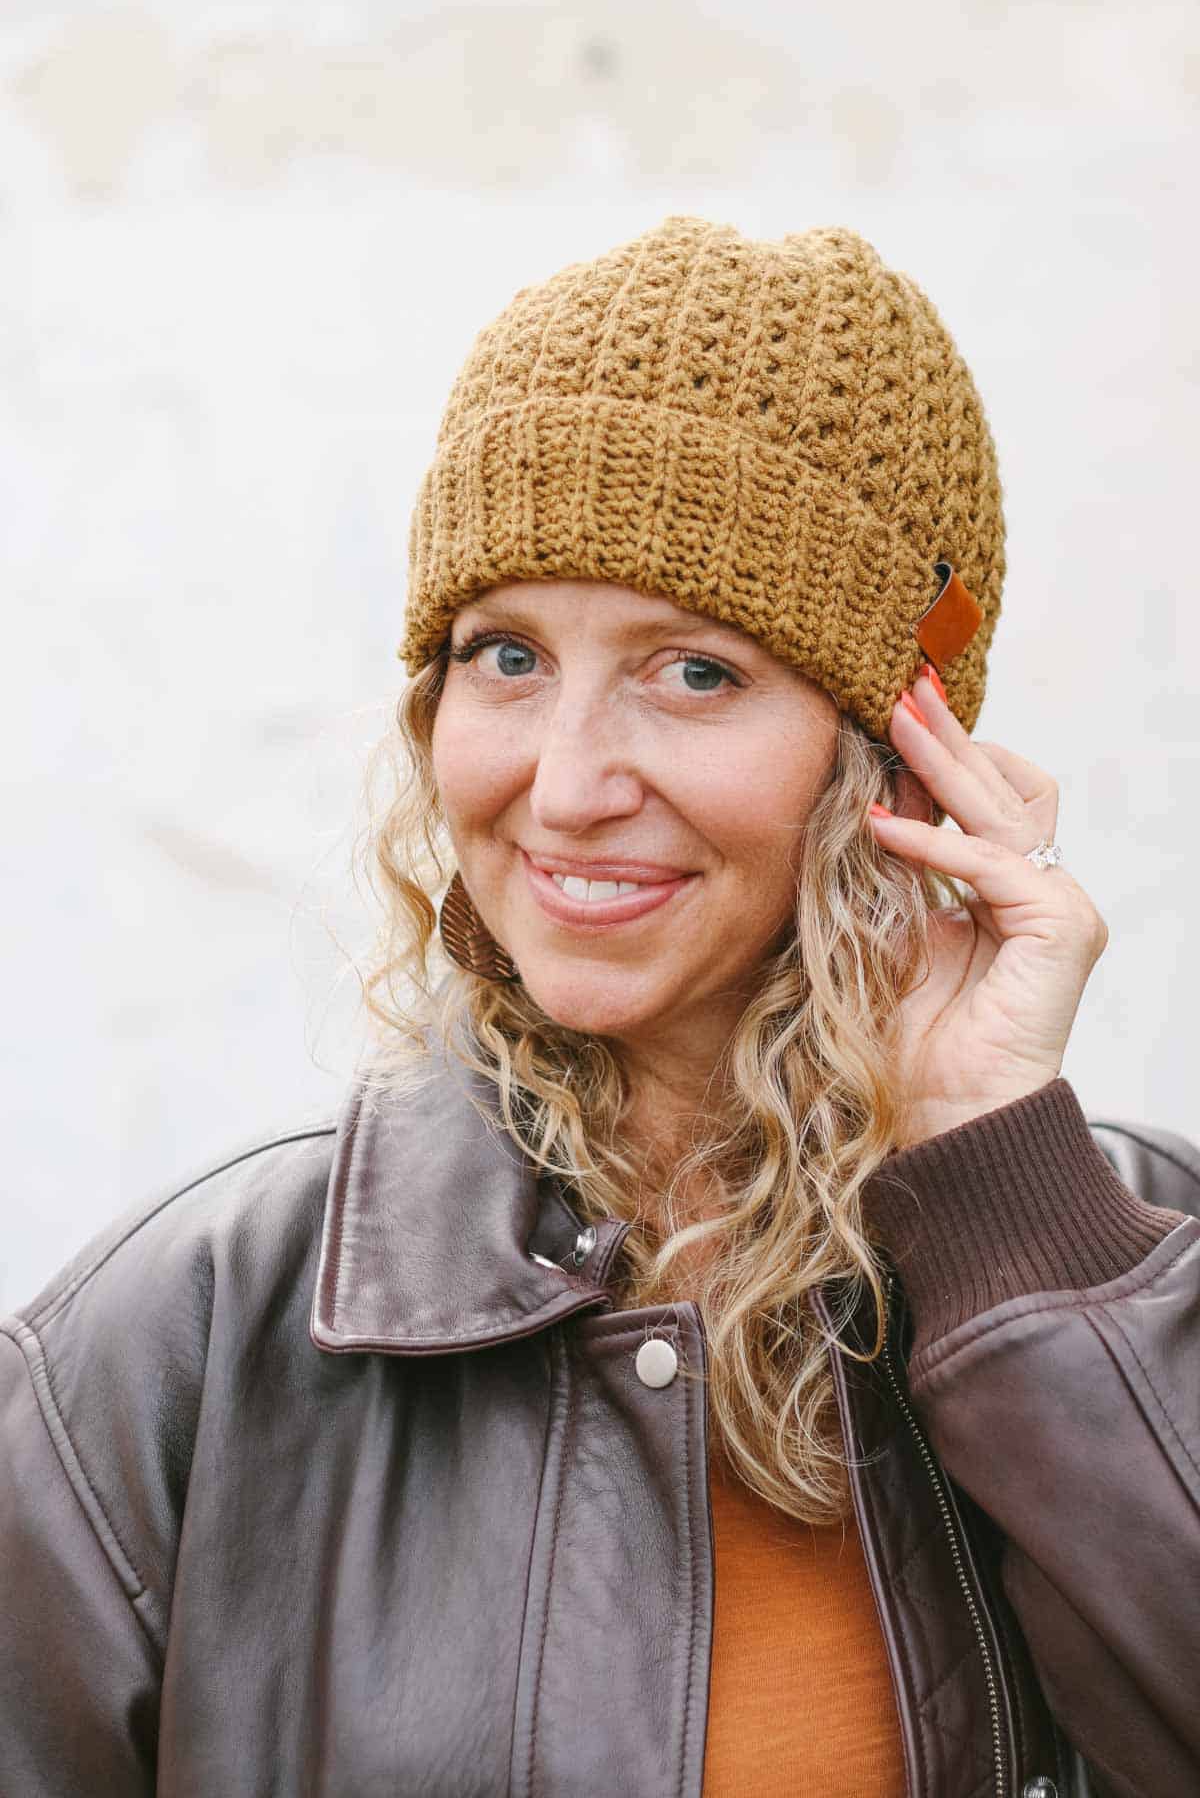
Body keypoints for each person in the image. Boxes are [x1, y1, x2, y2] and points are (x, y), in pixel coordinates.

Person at [2, 216, 1197, 1798]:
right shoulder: (183, 1344)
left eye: (691, 671)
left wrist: (998, 1189)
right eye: (506, 657)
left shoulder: (1125, 1267)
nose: (564, 786)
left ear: (898, 754)